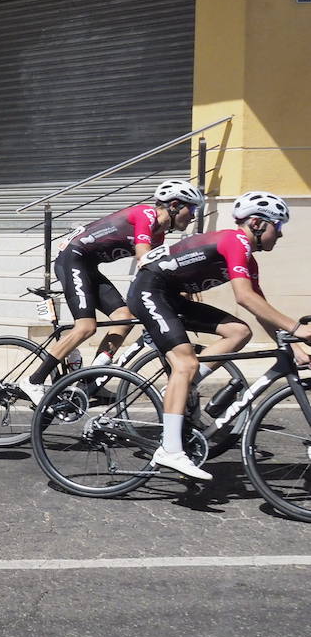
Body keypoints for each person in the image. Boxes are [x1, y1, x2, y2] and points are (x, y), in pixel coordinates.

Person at [127, 191, 311, 481]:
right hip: (150, 291)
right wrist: (298, 329)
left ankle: (184, 385)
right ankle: (170, 450)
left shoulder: (248, 259)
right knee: (184, 364)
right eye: (279, 226)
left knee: (239, 331)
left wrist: (294, 346)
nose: (281, 235)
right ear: (258, 223)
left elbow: (260, 307)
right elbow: (244, 298)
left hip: (169, 295)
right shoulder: (235, 241)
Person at [20, 179, 205, 406]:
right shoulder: (145, 215)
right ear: (175, 205)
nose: (193, 216)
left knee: (124, 319)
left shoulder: (159, 235)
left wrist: (180, 290)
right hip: (72, 259)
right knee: (86, 326)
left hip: (88, 266)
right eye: (192, 208)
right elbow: (144, 258)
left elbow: (157, 274)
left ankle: (89, 381)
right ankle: (33, 381)